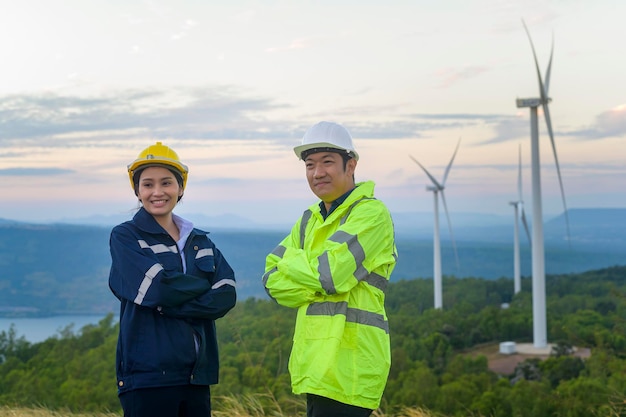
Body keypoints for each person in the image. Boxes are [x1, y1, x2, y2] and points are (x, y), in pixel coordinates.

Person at [262, 121, 398, 416]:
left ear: (351, 165)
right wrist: (315, 275)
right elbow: (272, 279)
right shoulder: (309, 219)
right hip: (314, 366)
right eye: (310, 164)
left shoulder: (372, 214)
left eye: (327, 162)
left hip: (351, 368)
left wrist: (296, 266)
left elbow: (331, 276)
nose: (317, 172)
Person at [108, 141, 237, 417]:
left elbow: (226, 294)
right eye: (148, 184)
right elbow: (158, 289)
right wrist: (201, 286)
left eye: (166, 183)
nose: (157, 192)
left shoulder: (199, 240)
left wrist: (165, 305)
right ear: (138, 191)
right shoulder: (126, 237)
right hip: (147, 378)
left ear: (180, 188)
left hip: (196, 376)